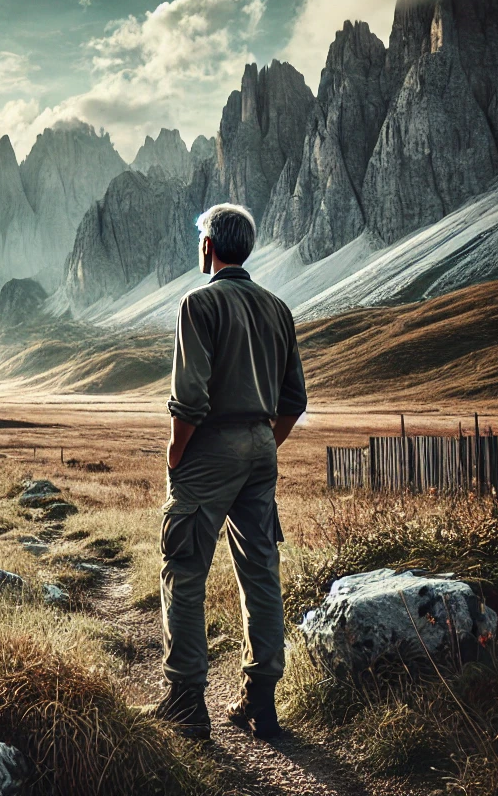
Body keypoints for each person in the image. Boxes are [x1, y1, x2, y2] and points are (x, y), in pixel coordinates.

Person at [153, 202, 307, 741]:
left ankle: (186, 701)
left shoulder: (198, 303)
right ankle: (261, 704)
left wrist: (176, 456)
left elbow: (189, 397)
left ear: (209, 246)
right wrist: (265, 443)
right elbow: (294, 399)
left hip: (210, 449)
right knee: (261, 572)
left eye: (200, 238)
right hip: (261, 448)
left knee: (185, 570)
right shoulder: (278, 308)